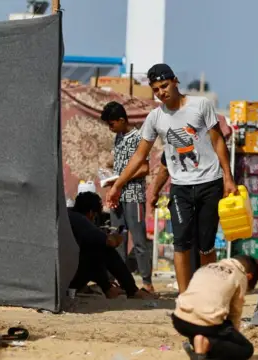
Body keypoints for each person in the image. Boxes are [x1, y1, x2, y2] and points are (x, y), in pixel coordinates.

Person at [106, 63, 237, 293]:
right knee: (181, 244)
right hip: (181, 188)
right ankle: (185, 298)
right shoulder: (156, 117)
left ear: (175, 81)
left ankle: (208, 292)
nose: (161, 92)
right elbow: (140, 156)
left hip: (209, 183)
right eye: (156, 89)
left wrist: (228, 177)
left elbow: (218, 141)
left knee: (206, 246)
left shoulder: (201, 105)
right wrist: (118, 185)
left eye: (164, 86)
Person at [101, 101, 154, 293]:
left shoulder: (138, 138)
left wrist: (120, 180)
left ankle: (147, 282)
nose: (110, 128)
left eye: (112, 124)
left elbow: (144, 168)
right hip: (117, 196)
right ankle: (120, 280)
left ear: (122, 120)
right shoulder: (119, 138)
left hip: (133, 195)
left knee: (139, 241)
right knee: (117, 238)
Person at [68, 192, 156, 299]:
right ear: (91, 213)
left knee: (92, 249)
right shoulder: (82, 221)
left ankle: (108, 287)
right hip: (71, 279)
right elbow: (111, 242)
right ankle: (129, 290)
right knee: (103, 249)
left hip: (62, 277)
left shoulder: (69, 215)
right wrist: (117, 237)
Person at [172, 255, 258, 360]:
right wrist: (233, 337)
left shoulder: (207, 267)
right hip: (205, 324)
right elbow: (235, 313)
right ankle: (206, 343)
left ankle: (200, 351)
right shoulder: (240, 275)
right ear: (249, 277)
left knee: (207, 325)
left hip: (179, 320)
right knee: (246, 349)